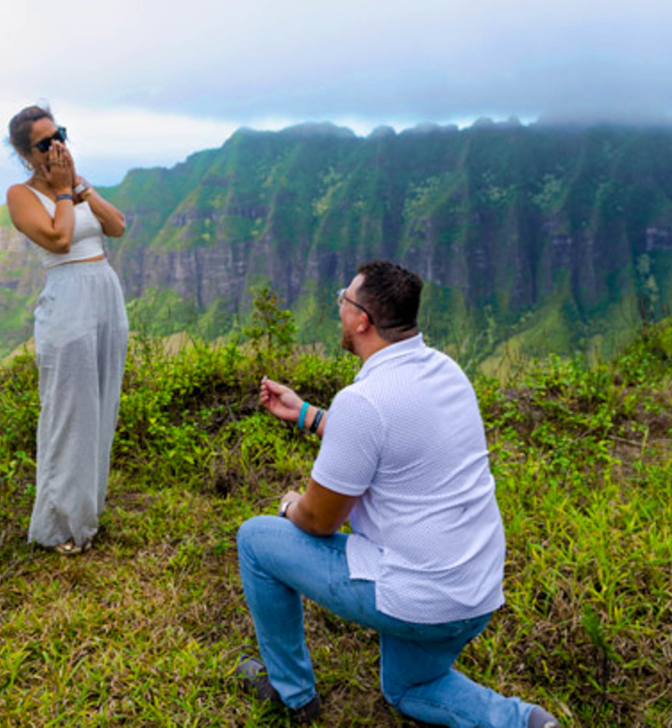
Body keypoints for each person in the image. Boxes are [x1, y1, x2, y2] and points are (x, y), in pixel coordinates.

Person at [234, 260, 562, 728]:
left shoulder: (364, 401)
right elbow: (386, 437)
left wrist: (288, 506)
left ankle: (292, 696)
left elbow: (319, 521)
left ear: (362, 319)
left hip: (420, 596)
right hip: (476, 591)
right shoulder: (445, 371)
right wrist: (307, 413)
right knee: (408, 687)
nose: (339, 308)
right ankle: (521, 721)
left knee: (256, 540)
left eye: (343, 300)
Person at [6, 104, 129, 555]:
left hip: (104, 293)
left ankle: (87, 513)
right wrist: (61, 192)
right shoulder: (22, 195)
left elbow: (115, 226)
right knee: (67, 412)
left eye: (59, 134)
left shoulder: (75, 186)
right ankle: (57, 524)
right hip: (68, 300)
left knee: (101, 403)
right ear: (25, 154)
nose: (56, 146)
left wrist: (80, 187)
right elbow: (58, 239)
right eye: (44, 143)